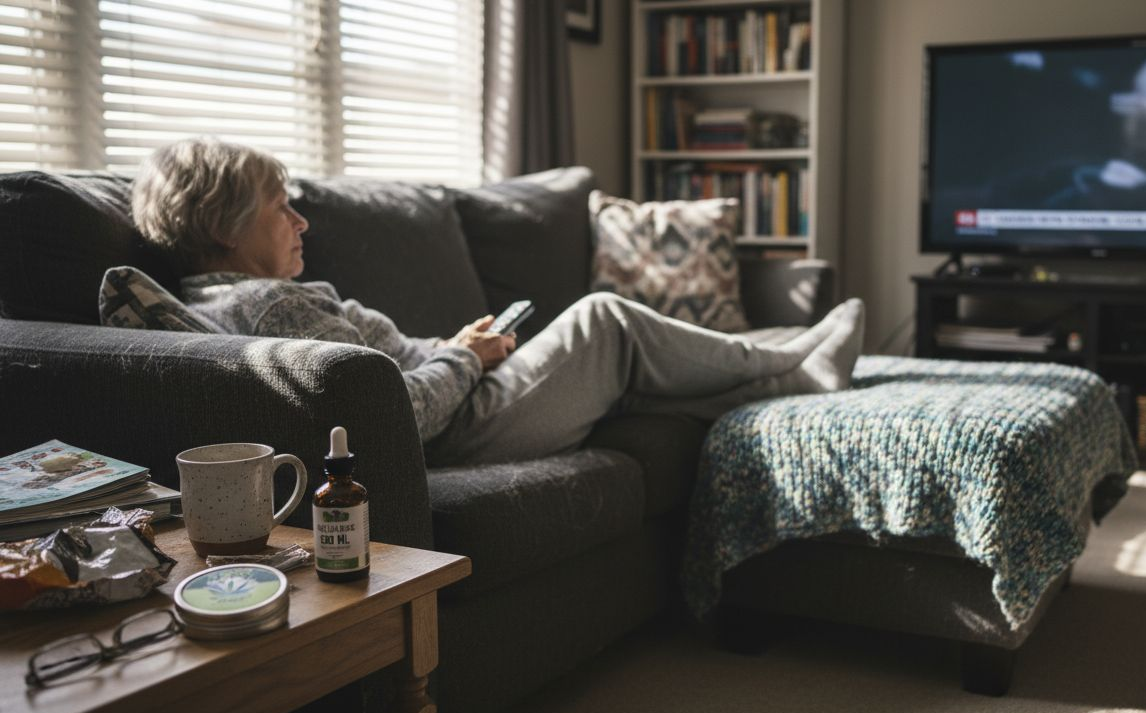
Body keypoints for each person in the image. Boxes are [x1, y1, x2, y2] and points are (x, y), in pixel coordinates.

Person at [131, 138, 864, 466]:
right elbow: (399, 416)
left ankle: (787, 377)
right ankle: (786, 362)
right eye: (278, 209)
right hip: (456, 431)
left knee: (635, 382)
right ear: (226, 229)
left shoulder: (259, 299)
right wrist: (462, 358)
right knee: (603, 319)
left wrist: (455, 347)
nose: (301, 221)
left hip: (460, 394)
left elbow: (390, 368)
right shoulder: (265, 312)